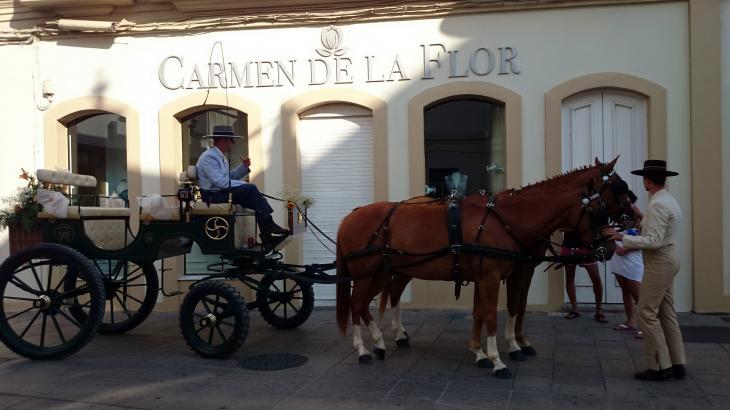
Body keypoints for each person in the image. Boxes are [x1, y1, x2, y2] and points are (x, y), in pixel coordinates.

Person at [603, 159, 686, 382]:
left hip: (659, 261)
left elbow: (654, 240)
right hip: (668, 258)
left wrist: (623, 237)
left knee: (646, 313)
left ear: (647, 180)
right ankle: (678, 363)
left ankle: (660, 366)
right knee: (666, 312)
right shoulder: (668, 200)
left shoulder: (658, 204)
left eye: (644, 179)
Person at [195, 125, 289, 246]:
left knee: (258, 199)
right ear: (223, 140)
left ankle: (267, 235)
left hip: (220, 193)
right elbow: (221, 182)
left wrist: (244, 167)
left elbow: (228, 177)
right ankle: (269, 225)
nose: (233, 143)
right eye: (231, 140)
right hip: (212, 196)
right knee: (251, 189)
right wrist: (244, 184)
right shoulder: (209, 157)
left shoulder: (218, 156)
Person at [611, 191, 644, 338]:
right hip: (618, 257)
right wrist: (615, 246)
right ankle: (631, 321)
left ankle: (646, 326)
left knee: (638, 294)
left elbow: (645, 239)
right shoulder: (617, 216)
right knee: (625, 290)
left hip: (633, 259)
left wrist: (628, 247)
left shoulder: (638, 218)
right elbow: (610, 233)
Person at [562, 232, 607, 323]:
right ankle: (575, 309)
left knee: (596, 279)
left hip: (587, 247)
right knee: (569, 278)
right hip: (569, 246)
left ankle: (599, 310)